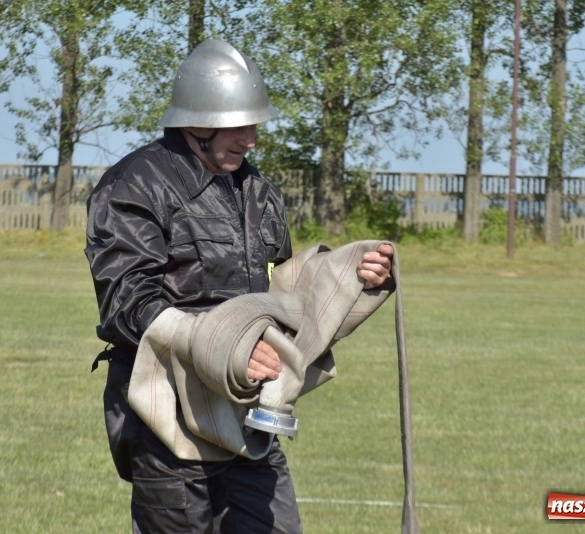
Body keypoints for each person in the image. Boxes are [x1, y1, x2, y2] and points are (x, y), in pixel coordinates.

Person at [84, 39, 394, 533]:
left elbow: (283, 297)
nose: (250, 139)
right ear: (196, 122)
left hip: (248, 413)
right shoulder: (134, 184)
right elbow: (128, 301)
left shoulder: (259, 192)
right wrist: (224, 347)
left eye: (253, 125)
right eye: (238, 125)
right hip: (166, 419)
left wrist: (351, 277)